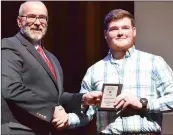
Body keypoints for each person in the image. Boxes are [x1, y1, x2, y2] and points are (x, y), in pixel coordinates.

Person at [68, 9, 173, 135]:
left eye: (125, 28)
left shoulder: (154, 62)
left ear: (133, 31)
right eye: (114, 29)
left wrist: (142, 103)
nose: (120, 33)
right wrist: (66, 120)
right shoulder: (94, 70)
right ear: (105, 34)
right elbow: (85, 113)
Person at [1, 1, 102, 135]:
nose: (37, 22)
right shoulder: (8, 46)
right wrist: (50, 110)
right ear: (19, 21)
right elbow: (10, 88)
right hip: (18, 130)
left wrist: (83, 99)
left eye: (42, 18)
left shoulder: (52, 58)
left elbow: (56, 98)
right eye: (31, 17)